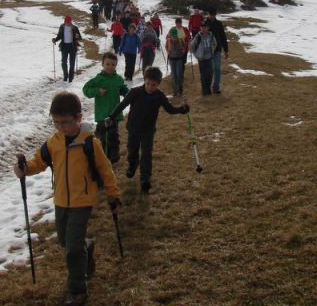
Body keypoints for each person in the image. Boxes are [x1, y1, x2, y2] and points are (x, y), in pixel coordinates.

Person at [14, 91, 121, 306]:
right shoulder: (53, 142)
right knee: (65, 241)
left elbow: (105, 169)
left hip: (83, 200)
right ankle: (87, 246)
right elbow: (39, 161)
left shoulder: (90, 142)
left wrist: (113, 194)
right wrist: (25, 169)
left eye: (66, 122)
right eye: (56, 123)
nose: (61, 127)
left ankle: (77, 290)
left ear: (79, 118)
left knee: (72, 249)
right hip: (61, 199)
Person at [106, 66, 189, 193]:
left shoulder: (159, 96)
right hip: (133, 128)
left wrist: (182, 109)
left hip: (148, 131)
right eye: (148, 84)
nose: (150, 87)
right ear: (144, 81)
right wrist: (112, 116)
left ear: (158, 84)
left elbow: (170, 109)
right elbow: (123, 105)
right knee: (132, 150)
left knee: (146, 154)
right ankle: (132, 166)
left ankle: (145, 179)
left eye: (154, 85)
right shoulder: (135, 92)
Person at [83, 52, 129, 164]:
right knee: (104, 138)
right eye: (108, 64)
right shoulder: (98, 79)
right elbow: (86, 90)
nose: (110, 66)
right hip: (102, 114)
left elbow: (123, 89)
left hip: (115, 113)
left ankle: (114, 157)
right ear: (102, 64)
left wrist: (127, 93)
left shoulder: (118, 79)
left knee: (113, 136)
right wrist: (97, 91)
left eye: (113, 64)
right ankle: (104, 157)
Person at [204, 8, 229, 94]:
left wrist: (226, 50)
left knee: (217, 68)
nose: (211, 16)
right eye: (210, 15)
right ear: (208, 14)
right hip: (207, 50)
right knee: (209, 70)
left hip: (217, 49)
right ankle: (207, 87)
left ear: (215, 15)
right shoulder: (204, 23)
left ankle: (216, 87)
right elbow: (199, 36)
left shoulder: (219, 24)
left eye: (213, 15)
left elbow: (223, 37)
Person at [53, 16, 83, 82]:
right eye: (66, 22)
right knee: (63, 62)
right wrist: (55, 40)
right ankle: (65, 76)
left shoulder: (75, 28)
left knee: (72, 63)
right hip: (64, 46)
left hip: (72, 47)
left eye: (69, 22)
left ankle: (70, 77)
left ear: (70, 21)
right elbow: (59, 36)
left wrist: (77, 37)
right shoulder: (62, 27)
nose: (67, 23)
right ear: (64, 21)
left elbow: (80, 38)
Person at [191, 21, 217, 96]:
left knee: (210, 74)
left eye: (205, 27)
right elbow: (192, 46)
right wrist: (197, 55)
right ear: (200, 28)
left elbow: (215, 43)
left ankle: (208, 88)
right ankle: (204, 90)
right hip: (201, 59)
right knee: (203, 75)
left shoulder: (211, 35)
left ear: (207, 28)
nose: (203, 29)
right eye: (202, 27)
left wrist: (212, 50)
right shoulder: (198, 36)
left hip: (209, 58)